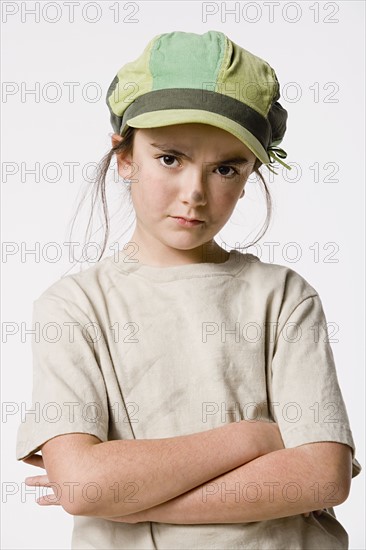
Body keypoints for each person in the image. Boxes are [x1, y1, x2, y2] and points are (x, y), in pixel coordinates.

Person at [16, 30, 361, 550]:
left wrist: (133, 502)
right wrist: (257, 437)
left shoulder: (285, 298)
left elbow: (321, 478)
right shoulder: (74, 306)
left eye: (226, 168)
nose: (195, 193)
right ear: (126, 157)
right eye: (170, 158)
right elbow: (86, 482)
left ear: (248, 178)